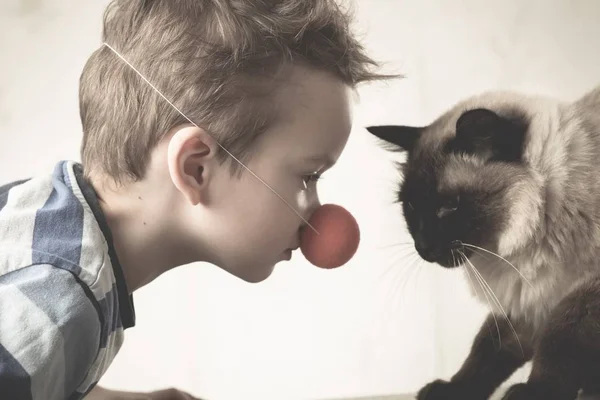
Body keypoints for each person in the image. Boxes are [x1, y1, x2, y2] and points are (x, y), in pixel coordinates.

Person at [0, 0, 395, 399]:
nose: (319, 216)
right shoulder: (61, 298)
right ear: (196, 169)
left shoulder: (47, 219)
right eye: (308, 177)